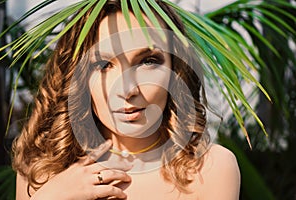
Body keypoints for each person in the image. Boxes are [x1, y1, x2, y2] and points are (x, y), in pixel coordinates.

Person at [13, 0, 240, 199]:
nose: (127, 89)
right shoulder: (41, 167)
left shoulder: (210, 170)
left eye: (148, 61)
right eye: (102, 65)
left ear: (175, 70)